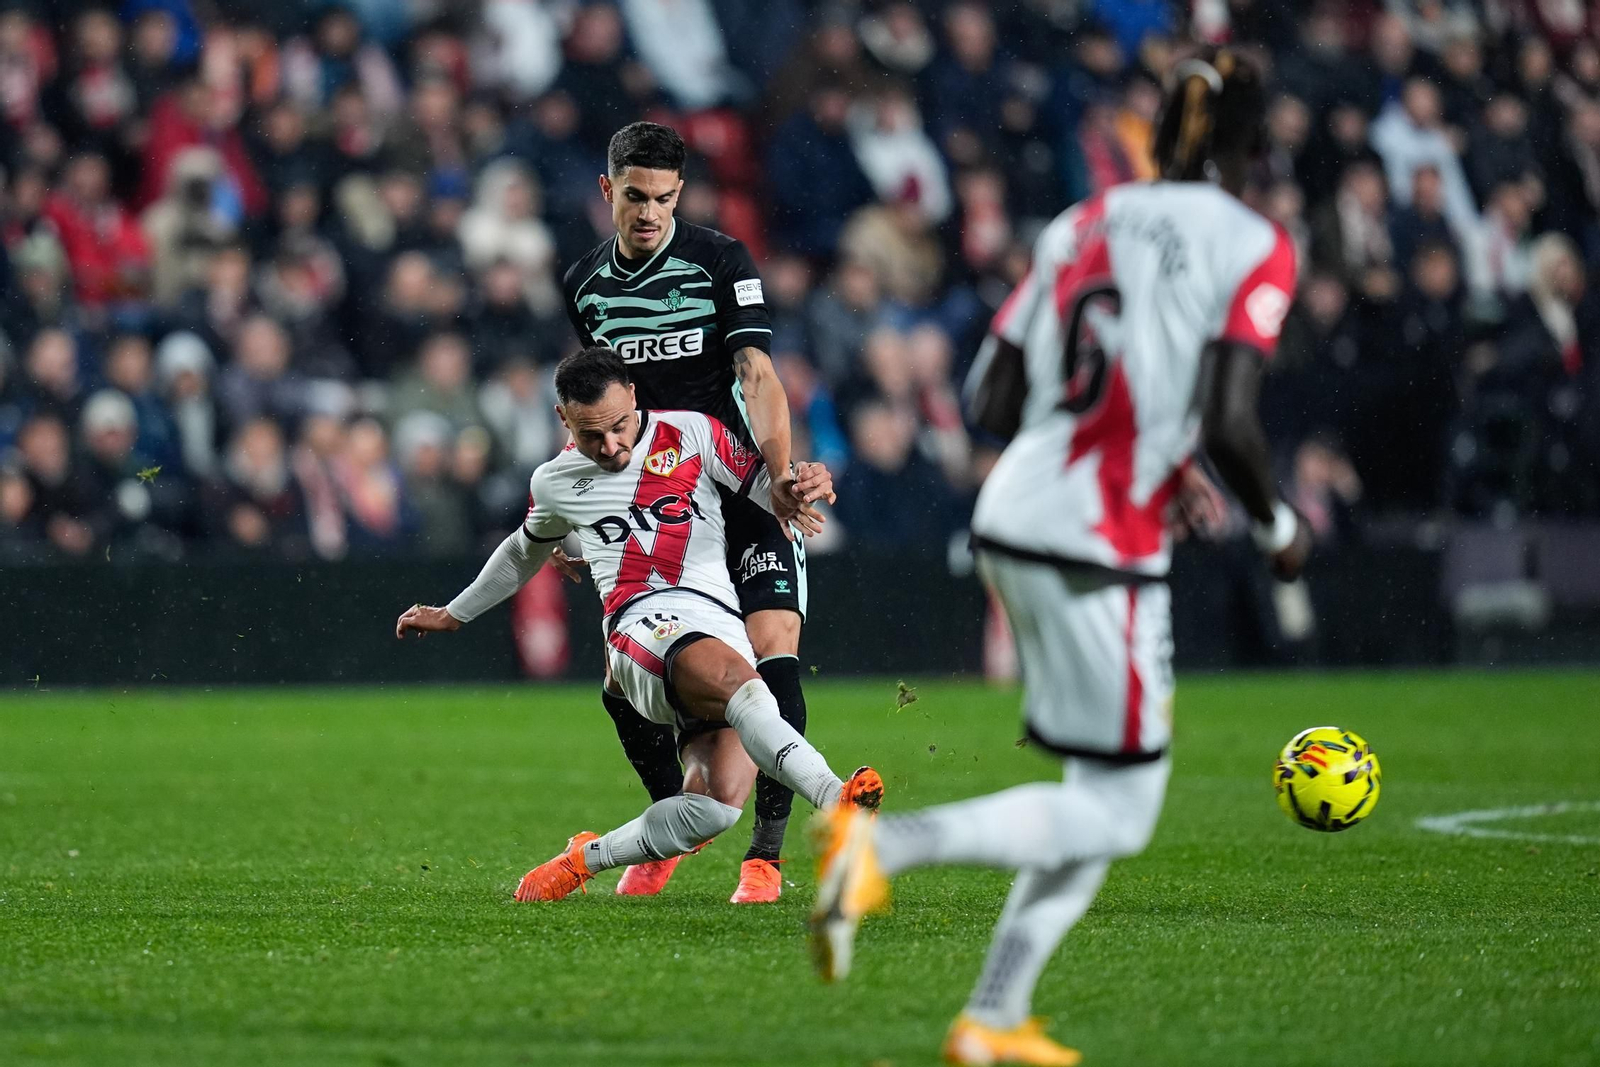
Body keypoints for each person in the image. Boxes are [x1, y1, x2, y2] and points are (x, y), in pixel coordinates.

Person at [810, 50, 1311, 1066]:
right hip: (1100, 534)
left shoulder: (1081, 222)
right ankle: (881, 844)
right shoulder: (1255, 242)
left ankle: (993, 1016)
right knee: (1118, 808)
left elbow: (992, 398)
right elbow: (1229, 415)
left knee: (1097, 794)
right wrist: (1280, 529)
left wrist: (1133, 436)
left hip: (1018, 505)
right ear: (1254, 148)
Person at [394, 348, 881, 900]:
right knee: (744, 685)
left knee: (713, 807)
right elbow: (520, 552)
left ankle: (585, 859)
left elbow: (765, 487)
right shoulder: (555, 481)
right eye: (590, 435)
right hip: (639, 632)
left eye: (619, 427)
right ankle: (836, 799)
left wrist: (799, 482)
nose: (610, 448)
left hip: (715, 626)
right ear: (563, 420)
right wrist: (454, 614)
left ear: (632, 394)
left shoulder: (694, 433)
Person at [559, 122, 821, 903]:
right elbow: (586, 405)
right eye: (635, 197)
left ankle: (765, 859)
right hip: (653, 514)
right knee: (627, 681)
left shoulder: (718, 261)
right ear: (608, 192)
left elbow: (757, 371)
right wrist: (580, 510)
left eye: (665, 199)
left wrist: (778, 476)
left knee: (774, 657)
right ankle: (668, 819)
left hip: (736, 493)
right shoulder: (583, 285)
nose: (650, 213)